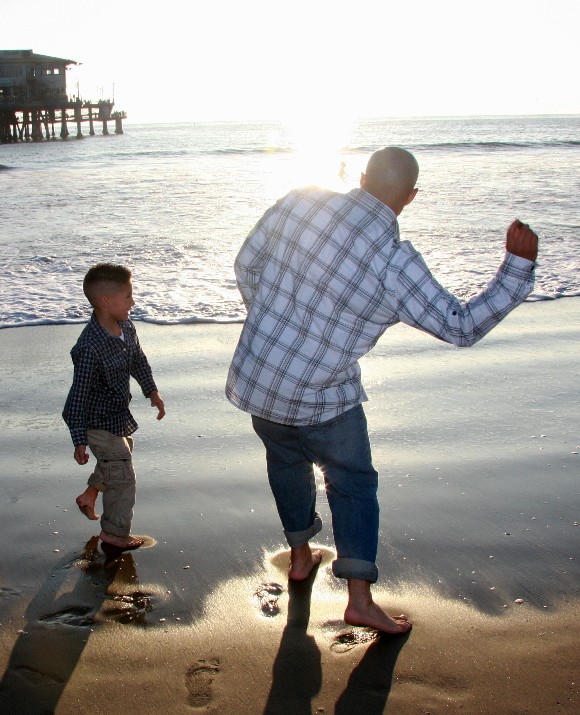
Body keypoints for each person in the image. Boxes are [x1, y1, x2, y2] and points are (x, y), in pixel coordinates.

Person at [226, 146, 538, 635]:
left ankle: (302, 556)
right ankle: (359, 601)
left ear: (360, 175)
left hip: (259, 380)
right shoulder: (394, 261)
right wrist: (516, 269)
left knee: (285, 464)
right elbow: (460, 327)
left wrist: (274, 325)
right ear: (410, 197)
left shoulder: (299, 201)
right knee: (351, 484)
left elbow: (247, 264)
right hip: (323, 397)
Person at [63, 263, 165, 552]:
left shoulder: (126, 327)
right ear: (106, 302)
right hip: (92, 421)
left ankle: (90, 494)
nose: (133, 302)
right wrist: (79, 439)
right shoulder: (89, 347)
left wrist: (152, 391)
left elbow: (138, 361)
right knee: (123, 476)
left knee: (119, 459)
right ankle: (114, 533)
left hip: (116, 415)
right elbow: (78, 397)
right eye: (128, 297)